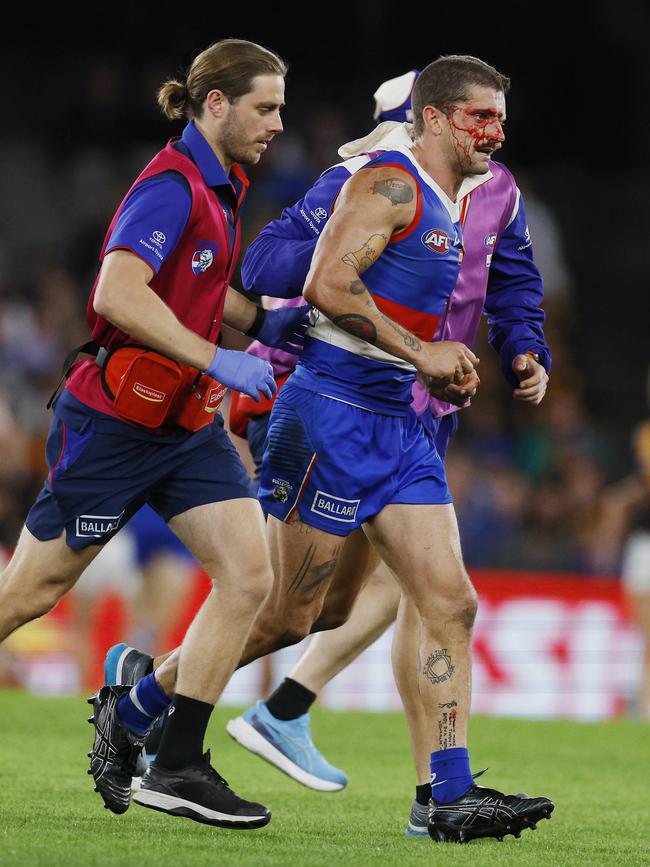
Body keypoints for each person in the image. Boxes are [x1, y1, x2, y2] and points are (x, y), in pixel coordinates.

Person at [108, 57, 554, 844]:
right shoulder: (379, 182)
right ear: (437, 118)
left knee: (446, 601)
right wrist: (423, 353)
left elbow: (509, 285)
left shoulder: (487, 195)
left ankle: (444, 795)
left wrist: (516, 350)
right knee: (288, 615)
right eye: (481, 117)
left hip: (407, 427)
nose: (497, 132)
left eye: (500, 118)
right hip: (331, 417)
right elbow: (314, 284)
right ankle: (140, 708)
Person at [0, 38, 313, 829]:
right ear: (216, 105)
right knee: (28, 595)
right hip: (112, 425)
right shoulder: (173, 184)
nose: (280, 122)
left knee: (250, 576)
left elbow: (205, 291)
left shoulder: (224, 184)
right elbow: (116, 291)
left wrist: (271, 323)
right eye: (265, 106)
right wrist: (222, 358)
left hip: (184, 426)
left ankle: (174, 763)